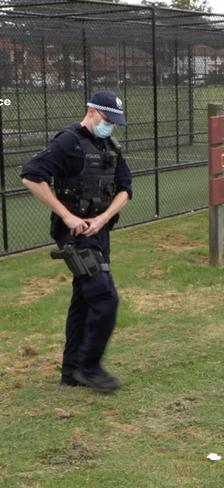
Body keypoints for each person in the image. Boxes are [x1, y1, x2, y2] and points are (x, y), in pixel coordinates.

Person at [20, 91, 132, 392]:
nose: (111, 126)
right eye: (108, 120)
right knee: (105, 297)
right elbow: (31, 176)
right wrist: (67, 216)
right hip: (76, 236)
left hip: (99, 231)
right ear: (92, 111)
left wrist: (103, 218)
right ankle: (90, 368)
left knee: (84, 301)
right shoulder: (67, 142)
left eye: (114, 122)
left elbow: (125, 188)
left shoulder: (110, 145)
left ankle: (71, 372)